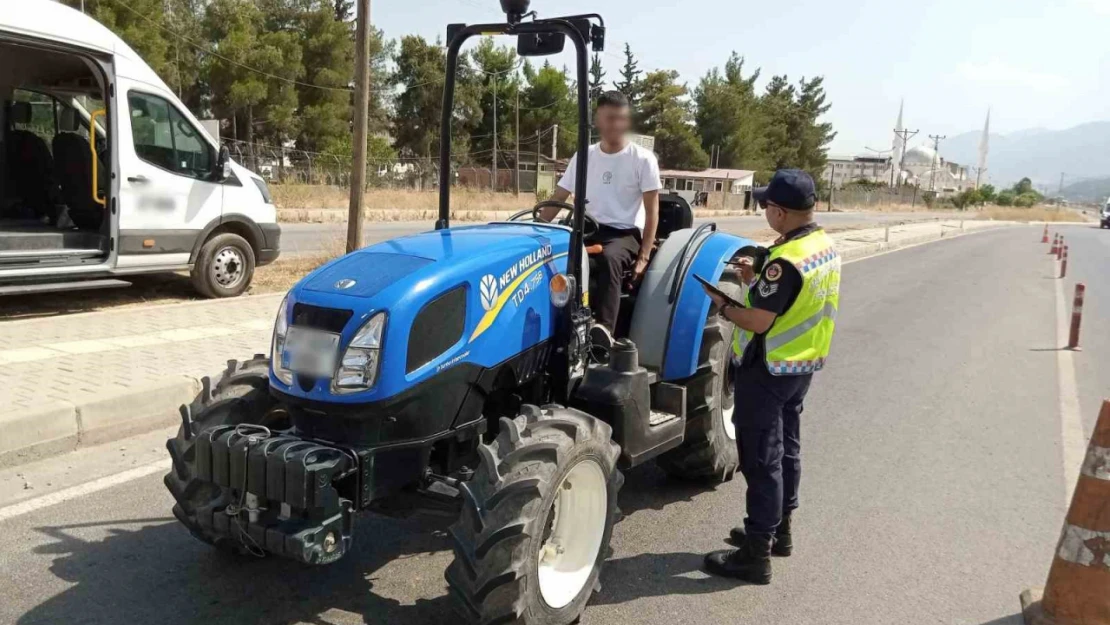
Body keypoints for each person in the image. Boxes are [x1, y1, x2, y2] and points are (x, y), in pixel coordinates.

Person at [700, 169, 841, 585]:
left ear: (780, 212)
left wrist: (723, 305)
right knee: (788, 450)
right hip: (801, 366)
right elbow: (793, 300)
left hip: (768, 370)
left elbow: (758, 321)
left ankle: (754, 555)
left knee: (762, 461)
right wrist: (756, 276)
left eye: (766, 206)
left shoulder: (785, 263)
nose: (763, 212)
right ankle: (781, 532)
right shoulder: (822, 246)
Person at [543, 90, 661, 347]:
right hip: (585, 229)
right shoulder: (584, 156)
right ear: (598, 120)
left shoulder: (642, 159)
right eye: (609, 118)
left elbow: (652, 212)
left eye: (620, 119)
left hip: (623, 234)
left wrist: (644, 256)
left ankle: (603, 331)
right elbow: (559, 197)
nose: (615, 125)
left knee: (609, 259)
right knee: (554, 258)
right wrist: (536, 227)